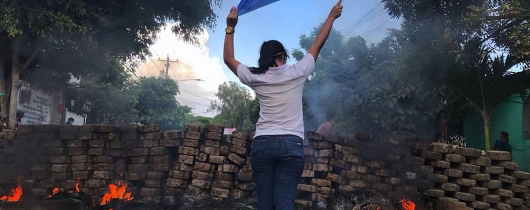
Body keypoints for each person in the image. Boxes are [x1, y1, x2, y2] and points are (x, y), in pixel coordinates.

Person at [223, 1, 343, 209]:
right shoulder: (298, 71)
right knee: (285, 202)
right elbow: (317, 44)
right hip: (291, 145)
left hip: (263, 145)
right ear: (281, 56)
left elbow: (228, 58)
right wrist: (331, 17)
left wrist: (230, 27)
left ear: (264, 59)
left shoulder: (255, 76)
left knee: (265, 204)